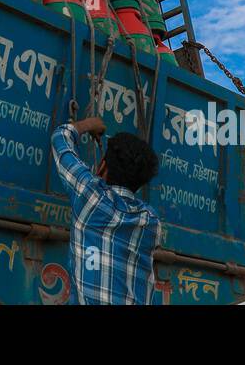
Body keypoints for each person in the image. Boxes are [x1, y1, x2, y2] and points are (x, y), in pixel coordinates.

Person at [51, 115, 164, 305]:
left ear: (102, 166)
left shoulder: (90, 197)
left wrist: (87, 125)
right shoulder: (151, 222)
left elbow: (60, 137)